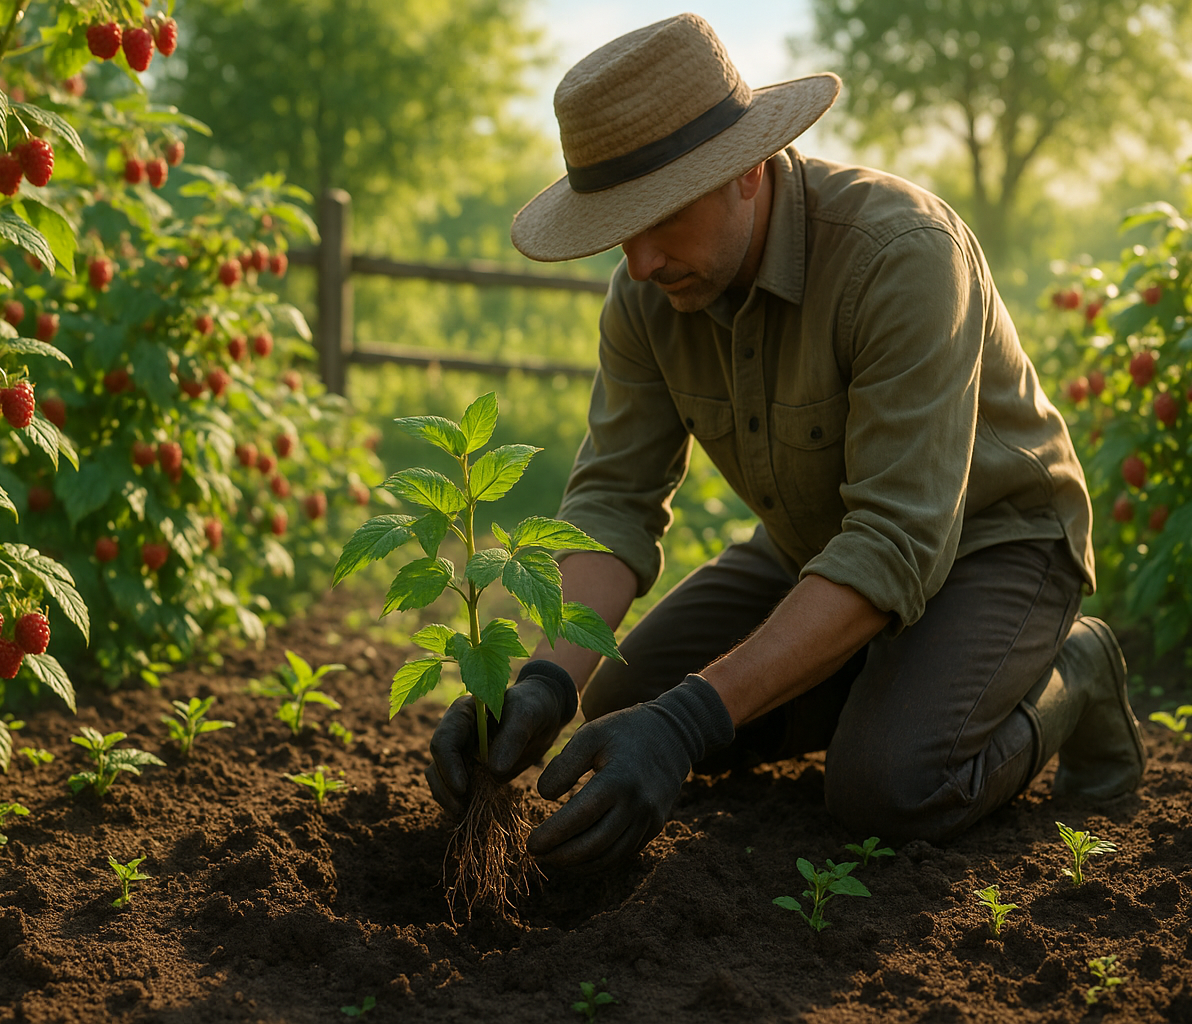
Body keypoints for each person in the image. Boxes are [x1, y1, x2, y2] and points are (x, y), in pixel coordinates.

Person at [423, 13, 1146, 873]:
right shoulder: (648, 295)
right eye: (619, 225)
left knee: (888, 788)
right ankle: (878, 674)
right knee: (620, 695)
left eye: (663, 215)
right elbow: (615, 502)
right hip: (816, 549)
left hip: (994, 548)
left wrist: (694, 722)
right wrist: (540, 682)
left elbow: (896, 539)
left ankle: (1078, 670)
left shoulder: (900, 255)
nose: (642, 260)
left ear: (747, 170)